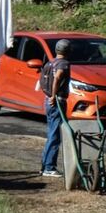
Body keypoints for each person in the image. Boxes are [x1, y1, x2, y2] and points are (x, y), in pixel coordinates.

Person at [40, 38, 72, 178]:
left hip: (47, 101)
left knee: (51, 133)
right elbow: (58, 77)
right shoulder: (63, 64)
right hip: (57, 101)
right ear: (68, 51)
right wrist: (53, 95)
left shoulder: (50, 62)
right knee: (55, 135)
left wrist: (48, 96)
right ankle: (49, 167)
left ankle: (44, 165)